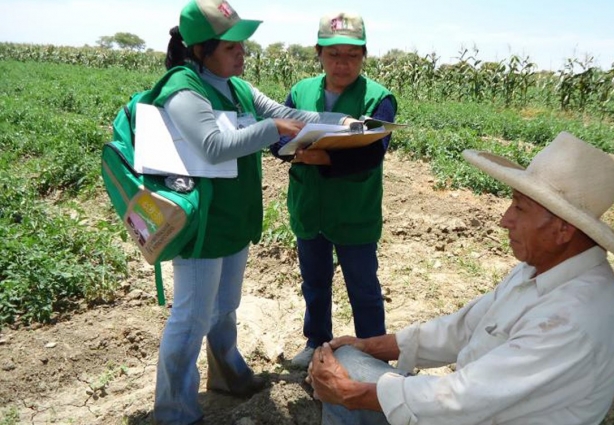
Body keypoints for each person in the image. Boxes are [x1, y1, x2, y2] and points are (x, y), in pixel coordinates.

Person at [308, 131, 614, 425]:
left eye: (520, 208)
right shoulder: (541, 269)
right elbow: (461, 329)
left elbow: (466, 398)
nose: (505, 219)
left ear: (563, 230)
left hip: (478, 413)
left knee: (345, 376)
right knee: (347, 358)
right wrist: (368, 346)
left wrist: (351, 394)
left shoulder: (573, 318)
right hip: (478, 409)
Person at [150, 1, 356, 424]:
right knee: (191, 317)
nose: (243, 53)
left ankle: (227, 374)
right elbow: (212, 145)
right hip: (201, 222)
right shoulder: (183, 88)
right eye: (231, 47)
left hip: (233, 219)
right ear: (201, 50)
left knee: (225, 306)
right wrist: (271, 130)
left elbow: (289, 114)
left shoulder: (238, 88)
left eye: (243, 44)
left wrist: (348, 123)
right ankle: (174, 412)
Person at [270, 12, 397, 369]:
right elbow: (277, 135)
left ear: (364, 56)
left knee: (363, 286)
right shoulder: (300, 91)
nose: (343, 64)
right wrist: (288, 150)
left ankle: (372, 351)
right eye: (334, 54)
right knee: (314, 282)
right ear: (319, 53)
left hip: (354, 209)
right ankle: (317, 341)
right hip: (309, 206)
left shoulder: (378, 98)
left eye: (352, 56)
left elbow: (374, 152)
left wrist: (325, 158)